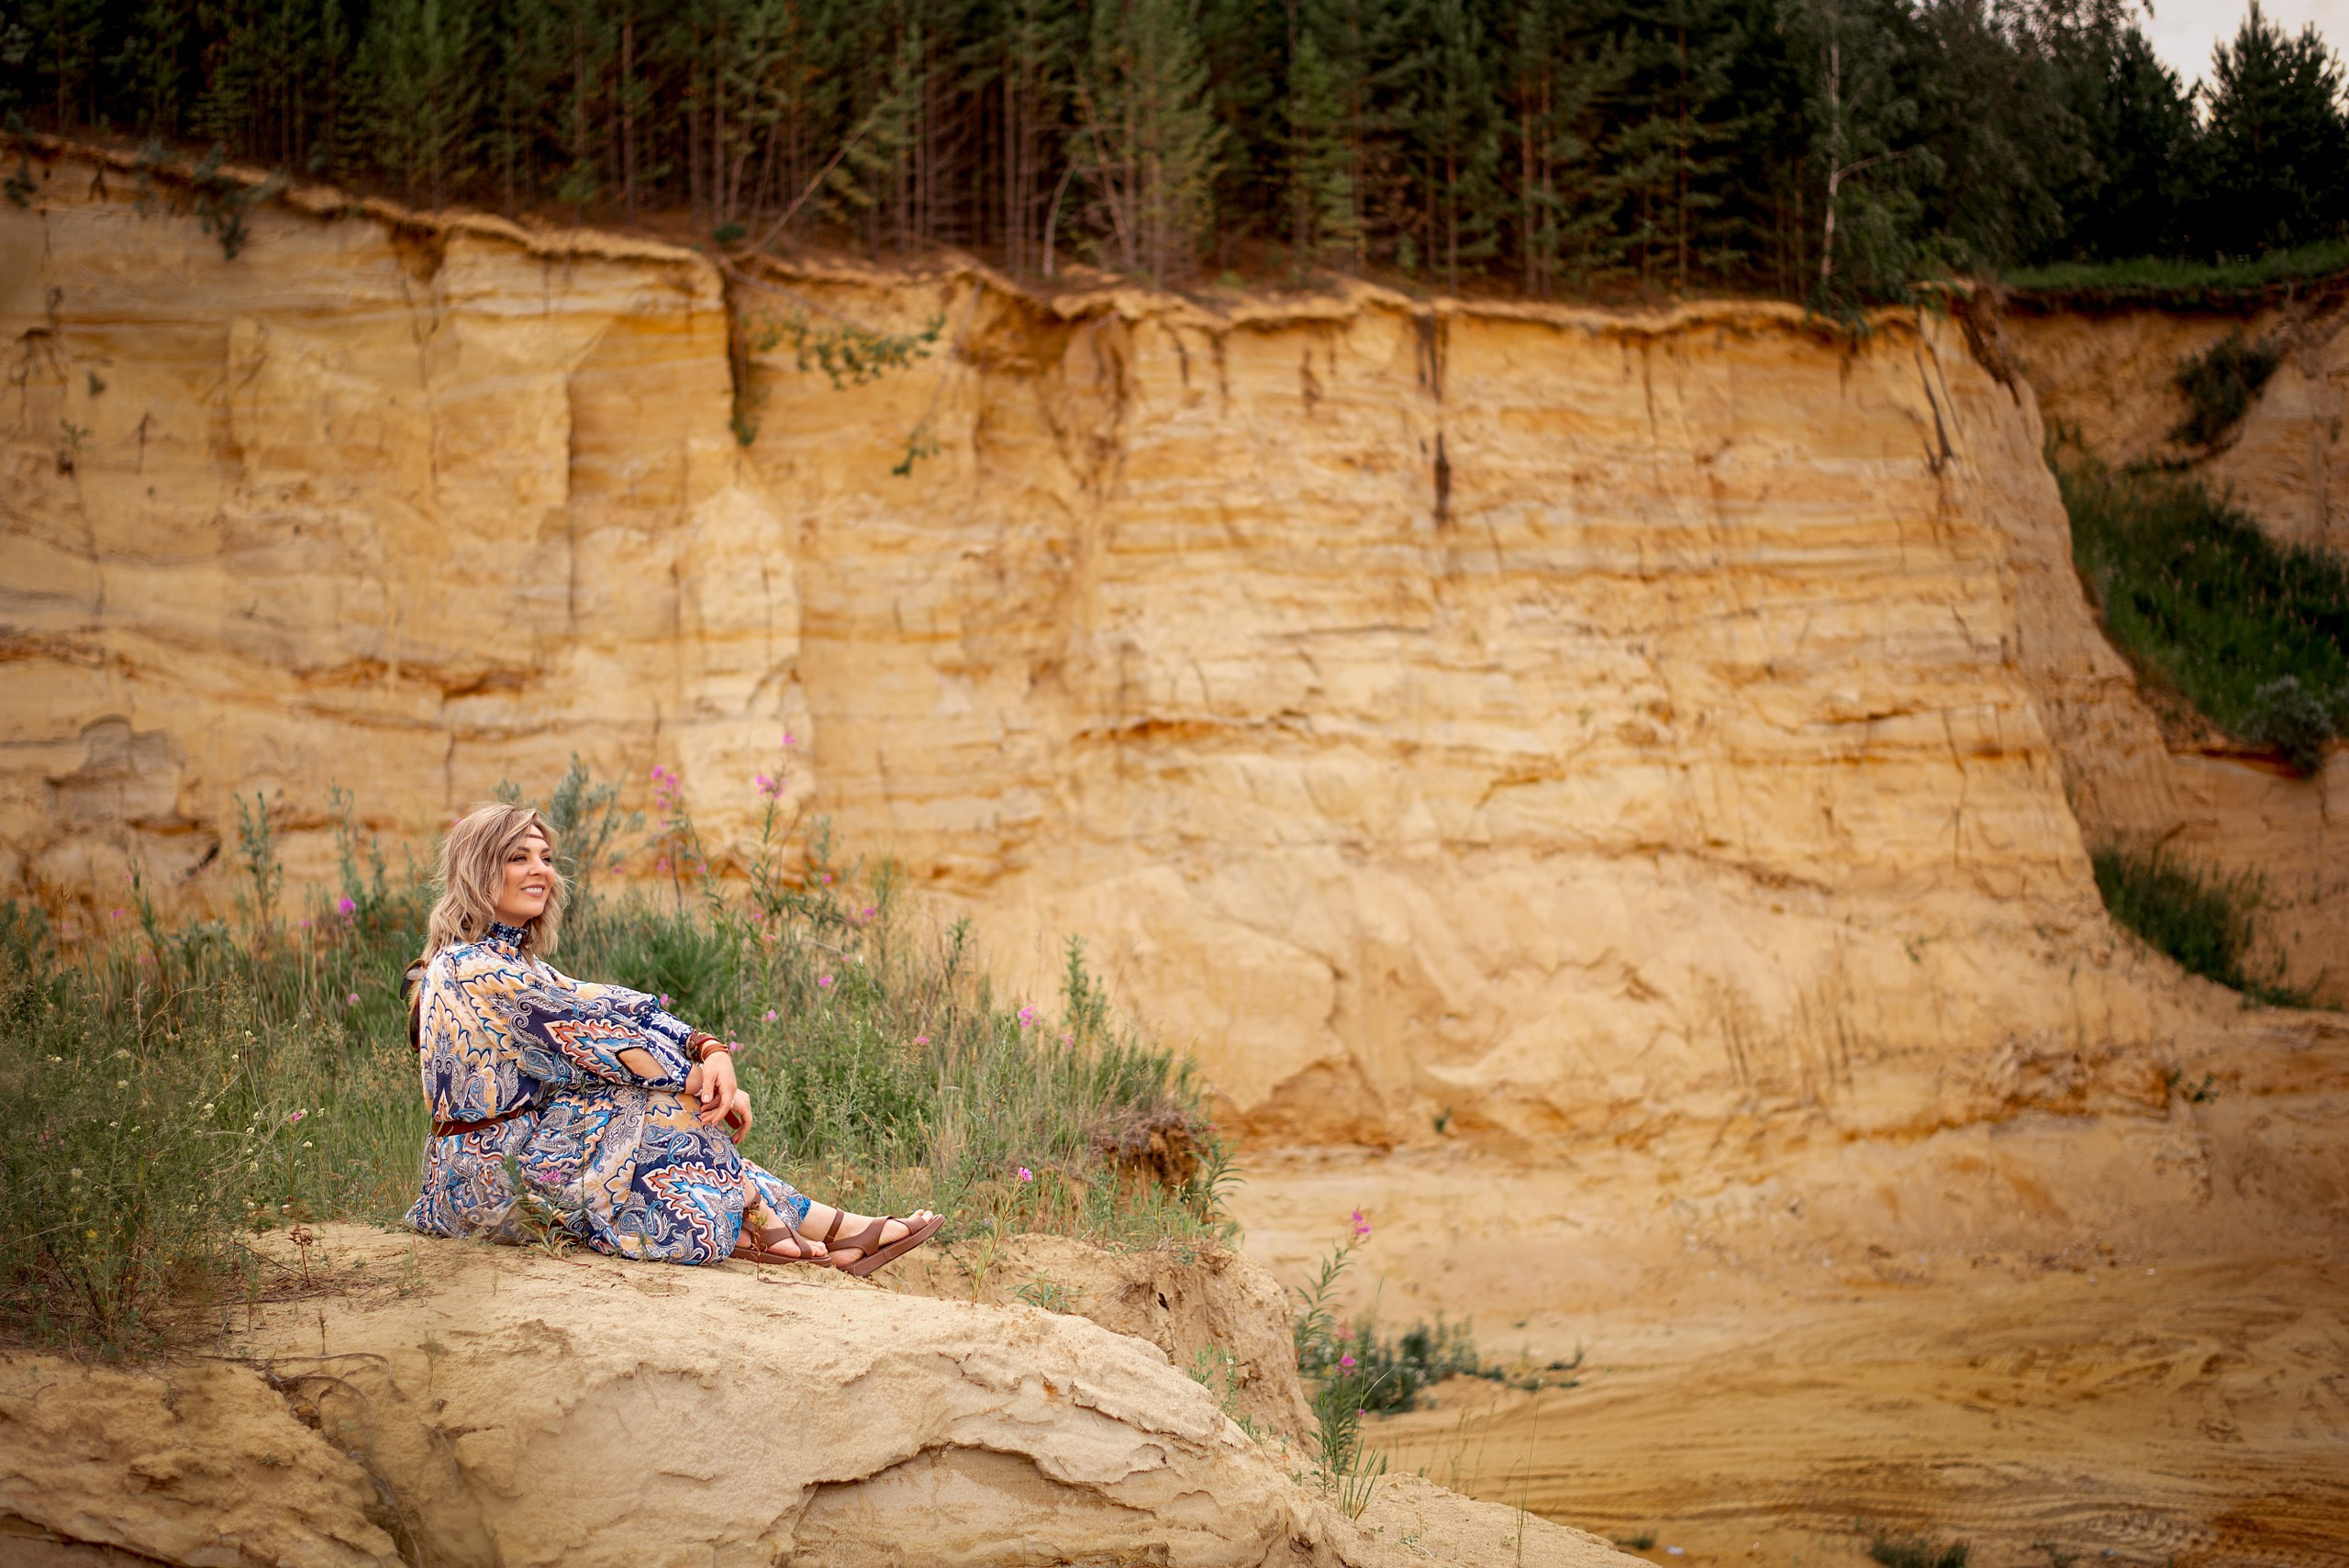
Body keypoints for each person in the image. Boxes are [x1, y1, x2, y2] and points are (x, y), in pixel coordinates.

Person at [403, 801, 940, 1274]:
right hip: (484, 1178)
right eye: (519, 857)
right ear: (478, 870)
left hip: (528, 1154)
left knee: (666, 1110)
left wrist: (709, 1050)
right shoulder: (467, 967)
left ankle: (798, 1231)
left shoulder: (523, 964)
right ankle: (796, 1230)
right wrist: (699, 1082)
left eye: (544, 857)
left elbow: (619, 1006)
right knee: (655, 1104)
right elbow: (599, 1040)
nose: (540, 870)